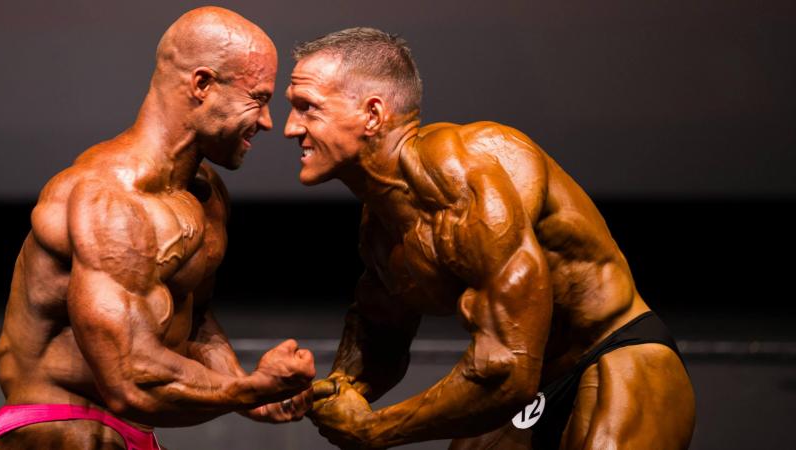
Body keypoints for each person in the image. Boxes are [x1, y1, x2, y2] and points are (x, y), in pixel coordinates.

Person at [284, 28, 694, 449]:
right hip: (531, 381)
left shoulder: (466, 172)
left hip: (612, 353)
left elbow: (506, 369)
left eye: (307, 108)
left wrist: (374, 429)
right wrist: (328, 391)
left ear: (372, 114)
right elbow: (381, 335)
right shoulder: (381, 222)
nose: (290, 128)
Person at [0, 7, 316, 450]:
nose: (268, 121)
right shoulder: (110, 200)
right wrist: (249, 390)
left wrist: (248, 391)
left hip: (134, 432)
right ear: (202, 84)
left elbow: (192, 319)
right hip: (59, 429)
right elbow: (129, 381)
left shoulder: (206, 195)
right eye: (257, 98)